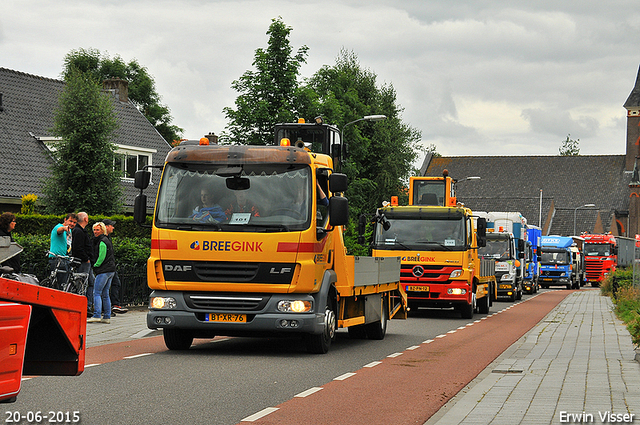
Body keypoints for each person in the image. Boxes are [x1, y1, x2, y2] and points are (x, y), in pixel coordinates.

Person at [88, 222, 115, 324]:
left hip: (104, 270)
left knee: (97, 292)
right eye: (94, 230)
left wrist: (96, 265)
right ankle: (107, 316)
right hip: (110, 270)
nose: (95, 232)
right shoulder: (106, 239)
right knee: (105, 293)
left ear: (102, 230)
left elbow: (102, 256)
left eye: (97, 230)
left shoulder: (102, 241)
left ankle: (97, 315)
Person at [72, 212, 95, 314]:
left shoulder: (80, 231)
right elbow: (78, 248)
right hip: (83, 262)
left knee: (90, 282)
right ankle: (84, 306)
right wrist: (86, 258)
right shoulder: (79, 231)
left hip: (85, 261)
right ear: (85, 219)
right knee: (83, 284)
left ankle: (88, 305)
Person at [103, 219, 127, 314]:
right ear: (106, 227)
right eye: (111, 225)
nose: (113, 227)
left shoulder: (108, 237)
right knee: (106, 287)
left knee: (115, 284)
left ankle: (113, 305)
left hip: (110, 265)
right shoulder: (103, 238)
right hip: (107, 266)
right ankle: (110, 307)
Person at [48, 213, 78, 288]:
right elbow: (59, 230)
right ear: (65, 220)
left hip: (65, 259)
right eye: (70, 221)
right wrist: (64, 228)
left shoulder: (69, 231)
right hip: (57, 259)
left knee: (63, 284)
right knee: (60, 285)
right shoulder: (59, 227)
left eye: (74, 222)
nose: (72, 224)